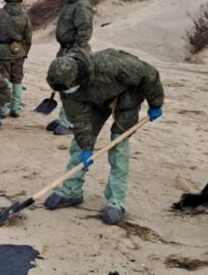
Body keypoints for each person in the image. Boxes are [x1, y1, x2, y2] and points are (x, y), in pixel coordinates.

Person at [43, 48, 164, 225]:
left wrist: (155, 103)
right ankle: (71, 191)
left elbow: (149, 74)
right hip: (95, 103)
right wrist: (86, 146)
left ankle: (116, 201)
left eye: (69, 89)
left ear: (78, 77)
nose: (67, 93)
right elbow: (79, 119)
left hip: (126, 100)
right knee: (78, 145)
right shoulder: (66, 87)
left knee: (118, 146)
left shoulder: (112, 65)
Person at [48, 0, 94, 136]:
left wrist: (76, 54)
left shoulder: (81, 6)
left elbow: (84, 31)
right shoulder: (70, 4)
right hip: (65, 49)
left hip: (75, 51)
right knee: (62, 84)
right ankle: (64, 117)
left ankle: (70, 122)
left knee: (72, 88)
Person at [0, 0, 33, 118]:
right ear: (20, 0)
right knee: (18, 79)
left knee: (3, 79)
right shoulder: (24, 15)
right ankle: (16, 108)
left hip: (2, 51)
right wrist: (25, 51)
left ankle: (4, 108)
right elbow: (28, 37)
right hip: (19, 51)